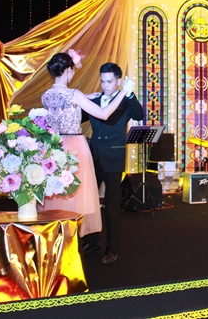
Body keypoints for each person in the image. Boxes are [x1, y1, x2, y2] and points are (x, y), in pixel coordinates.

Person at [38, 52, 131, 239]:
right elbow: (103, 114)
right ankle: (73, 236)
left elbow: (61, 108)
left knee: (56, 194)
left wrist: (86, 97)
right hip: (74, 147)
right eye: (72, 70)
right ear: (67, 70)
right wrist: (123, 92)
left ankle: (56, 236)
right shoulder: (74, 94)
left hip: (53, 148)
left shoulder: (46, 95)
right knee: (76, 195)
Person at [82, 62, 144, 265]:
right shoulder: (95, 100)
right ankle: (91, 241)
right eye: (102, 81)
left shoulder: (125, 100)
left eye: (109, 81)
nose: (105, 85)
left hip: (114, 157)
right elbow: (77, 118)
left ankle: (112, 248)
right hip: (93, 156)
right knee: (89, 202)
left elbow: (139, 115)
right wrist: (81, 99)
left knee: (112, 205)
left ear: (118, 81)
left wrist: (130, 94)